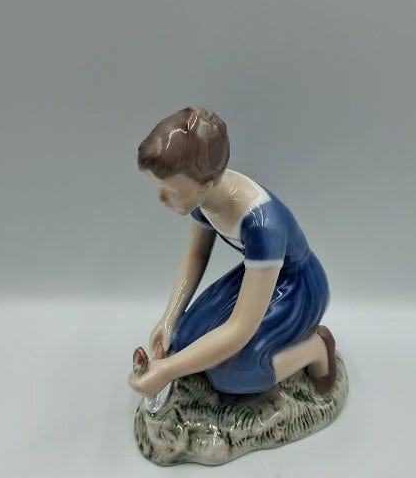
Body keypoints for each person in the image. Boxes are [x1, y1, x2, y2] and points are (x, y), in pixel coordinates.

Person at [128, 106, 337, 398]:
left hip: (297, 287)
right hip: (262, 277)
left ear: (208, 183)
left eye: (172, 191)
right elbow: (196, 257)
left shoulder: (263, 226)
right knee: (184, 337)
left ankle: (316, 349)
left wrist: (168, 370)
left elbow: (240, 329)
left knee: (234, 373)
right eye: (159, 188)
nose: (161, 199)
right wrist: (169, 317)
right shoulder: (202, 198)